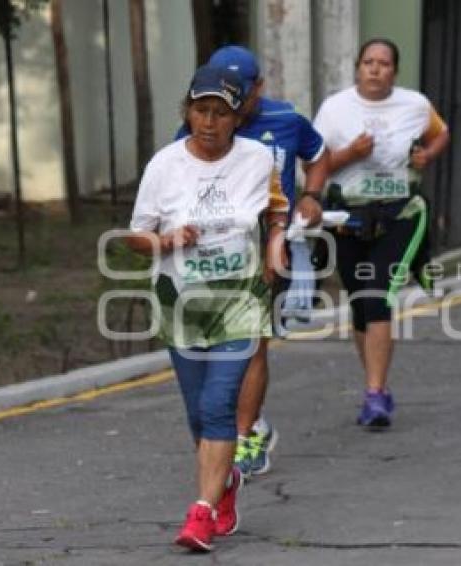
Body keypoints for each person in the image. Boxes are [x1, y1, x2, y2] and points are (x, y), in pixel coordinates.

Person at [127, 63, 289, 551]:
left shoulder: (258, 159)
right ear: (188, 112)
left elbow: (277, 205)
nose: (210, 122)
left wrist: (275, 244)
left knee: (220, 405)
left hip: (239, 299)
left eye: (221, 112)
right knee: (199, 413)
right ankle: (225, 484)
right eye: (201, 111)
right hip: (182, 303)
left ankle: (200, 514)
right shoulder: (165, 166)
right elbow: (135, 236)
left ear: (238, 117)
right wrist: (167, 240)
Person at [176, 45, 329, 479]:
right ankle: (236, 427)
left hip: (265, 247)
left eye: (240, 93)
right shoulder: (200, 125)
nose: (229, 104)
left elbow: (318, 155)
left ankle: (245, 436)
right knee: (214, 349)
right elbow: (175, 172)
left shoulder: (286, 121)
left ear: (258, 87)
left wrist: (312, 197)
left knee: (251, 341)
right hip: (206, 256)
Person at [313, 38, 450, 428]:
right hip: (346, 215)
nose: (375, 69)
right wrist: (350, 155)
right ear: (358, 67)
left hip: (401, 212)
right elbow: (316, 165)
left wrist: (428, 154)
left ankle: (374, 394)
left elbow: (441, 132)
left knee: (376, 293)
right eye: (368, 62)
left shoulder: (415, 104)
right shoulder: (335, 109)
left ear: (395, 71)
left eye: (384, 63)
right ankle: (377, 386)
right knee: (361, 304)